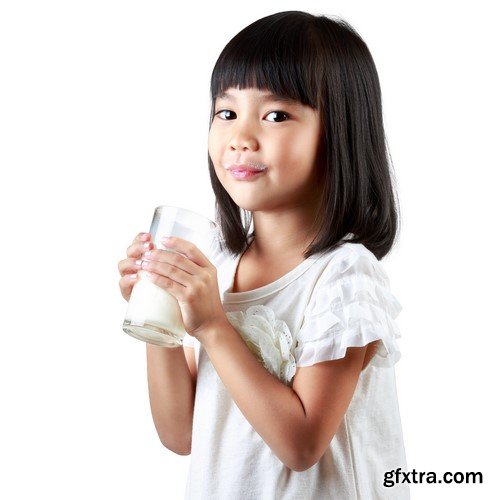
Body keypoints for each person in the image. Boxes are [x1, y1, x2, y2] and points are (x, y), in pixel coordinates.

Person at [118, 10, 410, 500]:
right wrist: (160, 319)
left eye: (275, 115)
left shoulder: (343, 276)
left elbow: (301, 445)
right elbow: (180, 434)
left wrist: (212, 324)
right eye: (226, 113)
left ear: (339, 132)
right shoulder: (223, 266)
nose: (240, 137)